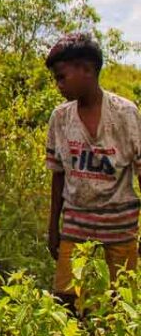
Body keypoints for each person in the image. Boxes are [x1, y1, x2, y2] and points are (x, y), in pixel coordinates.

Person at [44, 33, 141, 303]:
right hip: (77, 223)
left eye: (62, 77)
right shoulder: (61, 118)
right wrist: (54, 228)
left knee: (122, 301)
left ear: (87, 70)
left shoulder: (125, 113)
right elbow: (58, 175)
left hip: (120, 224)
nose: (58, 85)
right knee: (66, 299)